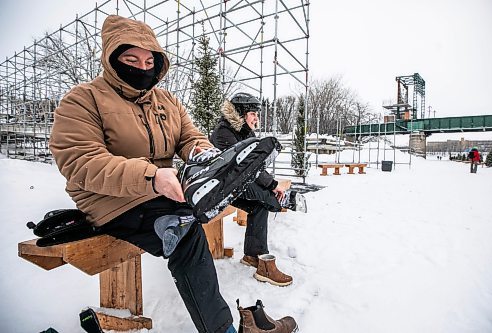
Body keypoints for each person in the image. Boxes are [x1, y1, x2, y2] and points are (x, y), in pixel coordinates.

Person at [49, 15, 297, 333]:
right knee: (186, 231)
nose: (141, 66)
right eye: (130, 59)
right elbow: (80, 161)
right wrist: (151, 176)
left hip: (161, 191)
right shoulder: (83, 100)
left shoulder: (166, 101)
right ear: (111, 58)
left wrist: (202, 155)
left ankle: (206, 188)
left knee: (187, 218)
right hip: (109, 200)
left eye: (148, 59)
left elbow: (189, 137)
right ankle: (224, 328)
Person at [210, 92, 305, 287]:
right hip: (218, 189)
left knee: (258, 207)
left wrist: (272, 182)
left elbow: (257, 165)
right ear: (241, 113)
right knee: (265, 198)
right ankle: (282, 201)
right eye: (253, 113)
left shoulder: (246, 133)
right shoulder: (223, 133)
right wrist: (272, 185)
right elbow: (245, 166)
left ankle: (253, 255)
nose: (256, 119)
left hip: (235, 185)